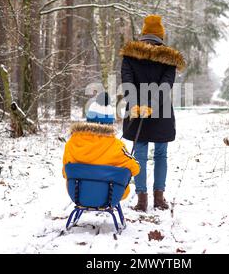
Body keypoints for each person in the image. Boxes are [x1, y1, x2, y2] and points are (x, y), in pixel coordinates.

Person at [120, 15, 186, 212]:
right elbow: (166, 85)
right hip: (162, 110)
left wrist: (136, 104)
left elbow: (127, 81)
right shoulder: (169, 58)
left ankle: (142, 200)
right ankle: (159, 198)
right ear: (161, 35)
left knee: (139, 152)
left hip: (136, 109)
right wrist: (152, 104)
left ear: (143, 33)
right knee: (160, 154)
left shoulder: (130, 55)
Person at [63, 92, 140, 200]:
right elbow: (135, 168)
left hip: (78, 195)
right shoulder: (117, 146)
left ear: (88, 120)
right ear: (109, 123)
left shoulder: (72, 143)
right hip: (109, 197)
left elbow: (65, 172)